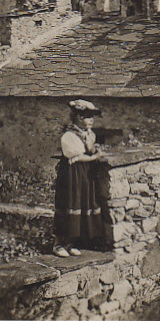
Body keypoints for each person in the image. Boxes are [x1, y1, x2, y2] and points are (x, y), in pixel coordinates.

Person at [52, 99, 114, 257]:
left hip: (86, 174)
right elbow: (77, 157)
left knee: (83, 203)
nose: (91, 120)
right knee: (69, 204)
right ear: (79, 118)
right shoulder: (69, 136)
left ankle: (74, 242)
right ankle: (59, 244)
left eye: (92, 117)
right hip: (72, 175)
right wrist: (95, 157)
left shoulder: (89, 134)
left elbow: (90, 150)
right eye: (88, 117)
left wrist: (95, 149)